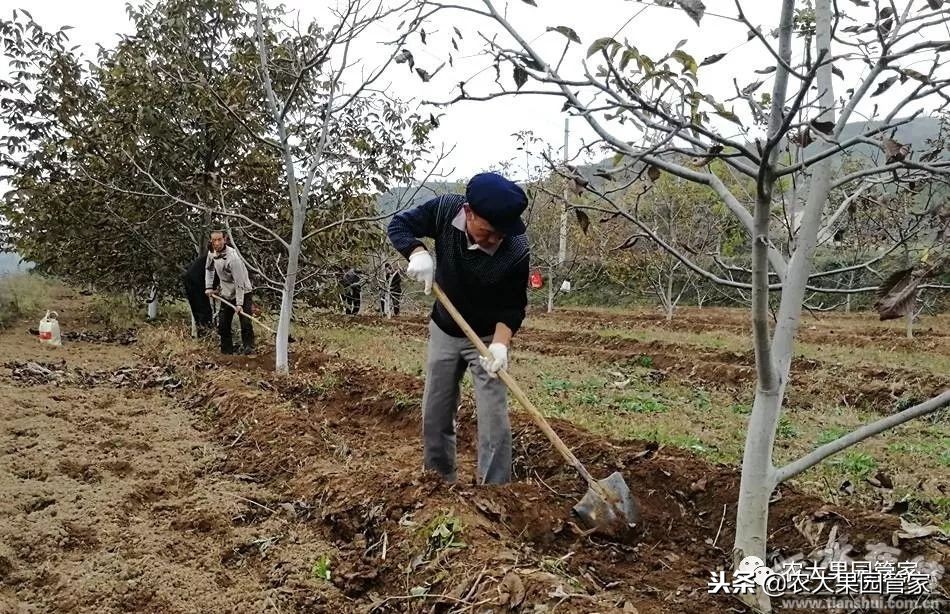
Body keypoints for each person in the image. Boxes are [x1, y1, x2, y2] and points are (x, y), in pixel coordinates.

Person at [387, 172, 530, 485]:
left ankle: (496, 491)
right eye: (489, 231)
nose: (496, 240)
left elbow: (514, 305)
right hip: (446, 330)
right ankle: (439, 482)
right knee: (435, 413)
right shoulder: (444, 210)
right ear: (469, 213)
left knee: (495, 422)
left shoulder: (516, 249)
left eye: (502, 234)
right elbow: (399, 225)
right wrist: (417, 251)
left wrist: (501, 346)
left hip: (487, 338)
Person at [204, 230, 254, 355]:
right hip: (226, 292)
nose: (217, 243)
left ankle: (249, 349)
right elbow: (209, 269)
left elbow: (239, 282)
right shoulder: (211, 253)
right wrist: (209, 287)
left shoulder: (233, 258)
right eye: (214, 240)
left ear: (225, 239)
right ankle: (227, 353)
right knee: (223, 324)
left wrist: (239, 303)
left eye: (219, 239)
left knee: (245, 322)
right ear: (211, 241)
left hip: (243, 291)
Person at [182, 252, 215, 337]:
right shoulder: (217, 258)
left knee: (201, 312)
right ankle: (205, 338)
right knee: (203, 312)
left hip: (194, 280)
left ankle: (204, 336)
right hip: (195, 282)